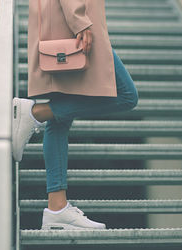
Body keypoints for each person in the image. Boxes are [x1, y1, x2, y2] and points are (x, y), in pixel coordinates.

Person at [12, 1, 138, 231]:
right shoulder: (78, 21)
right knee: (126, 95)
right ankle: (35, 112)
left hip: (62, 19)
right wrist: (79, 21)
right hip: (74, 22)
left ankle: (57, 207)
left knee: (60, 115)